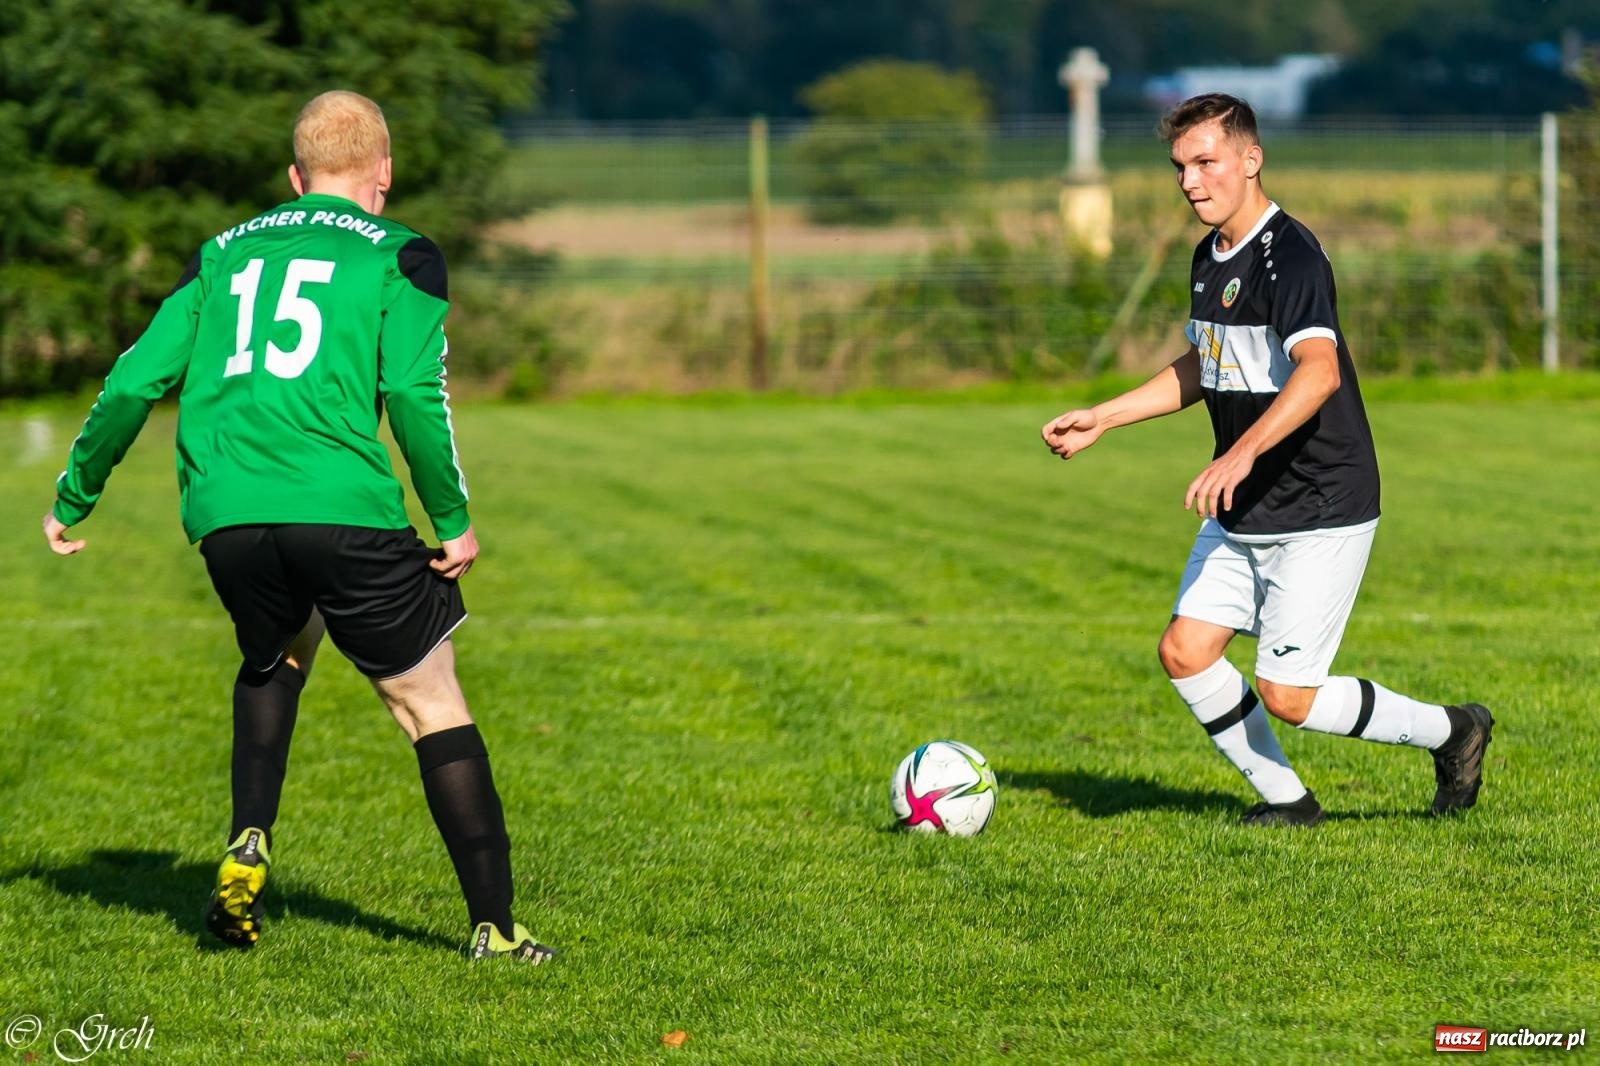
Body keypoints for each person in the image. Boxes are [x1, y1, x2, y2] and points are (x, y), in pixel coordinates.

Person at [43, 90, 554, 958]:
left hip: (228, 519)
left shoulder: (220, 254)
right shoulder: (404, 253)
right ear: (383, 172)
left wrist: (74, 493)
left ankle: (249, 840)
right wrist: (454, 518)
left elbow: (133, 382)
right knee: (430, 700)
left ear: (295, 176)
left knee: (279, 648)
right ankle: (496, 932)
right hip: (344, 507)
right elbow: (411, 395)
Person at [1040, 93, 1493, 826]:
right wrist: (1107, 415)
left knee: (1290, 697)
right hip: (1248, 501)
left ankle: (1455, 731)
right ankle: (1290, 804)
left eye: (1207, 162)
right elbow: (1207, 363)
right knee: (1185, 652)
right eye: (1180, 167)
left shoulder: (1294, 258)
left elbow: (1319, 371)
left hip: (1321, 503)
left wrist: (1240, 453)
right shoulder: (1209, 253)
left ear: (1251, 160)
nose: (1191, 181)